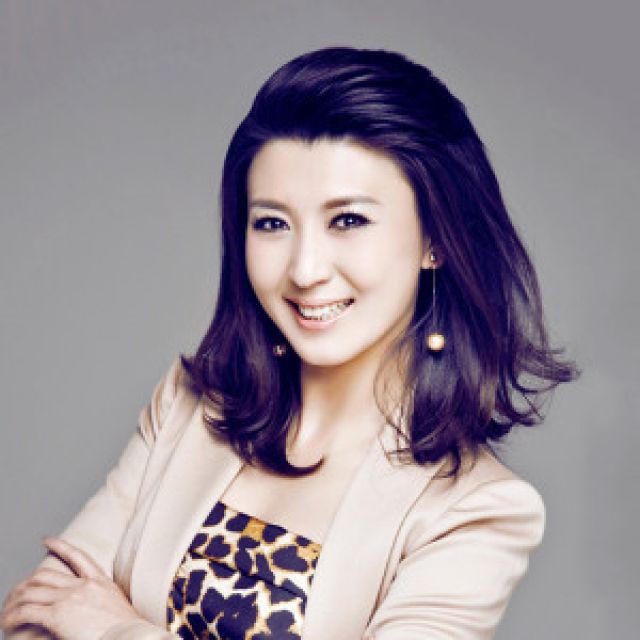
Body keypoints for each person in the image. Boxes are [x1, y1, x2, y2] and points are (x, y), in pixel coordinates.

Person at [0, 46, 578, 640]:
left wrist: (113, 629)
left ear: (437, 239)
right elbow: (36, 619)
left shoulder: (476, 511)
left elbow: (79, 618)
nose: (304, 270)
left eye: (347, 220)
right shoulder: (189, 407)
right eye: (272, 223)